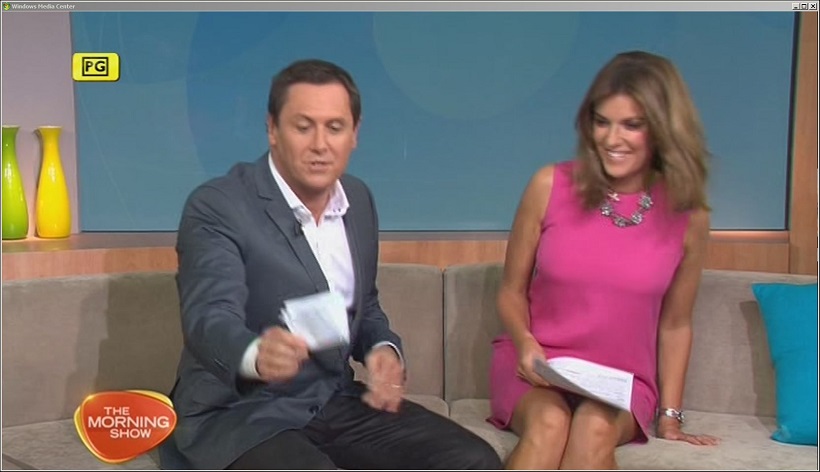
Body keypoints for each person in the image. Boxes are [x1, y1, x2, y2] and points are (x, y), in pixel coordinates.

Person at [159, 59, 502, 470]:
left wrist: (381, 348)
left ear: (354, 134)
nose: (320, 144)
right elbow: (208, 316)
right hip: (240, 414)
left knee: (472, 460)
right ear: (272, 129)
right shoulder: (219, 205)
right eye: (303, 127)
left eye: (335, 127)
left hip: (331, 399)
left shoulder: (358, 200)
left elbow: (363, 303)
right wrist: (255, 355)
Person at [487, 50, 720, 470]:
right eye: (602, 122)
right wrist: (525, 343)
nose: (612, 139)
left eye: (632, 125)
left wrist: (670, 417)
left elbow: (675, 324)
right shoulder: (549, 185)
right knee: (550, 424)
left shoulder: (688, 214)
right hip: (538, 366)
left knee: (594, 428)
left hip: (622, 382)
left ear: (663, 128)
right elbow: (511, 291)